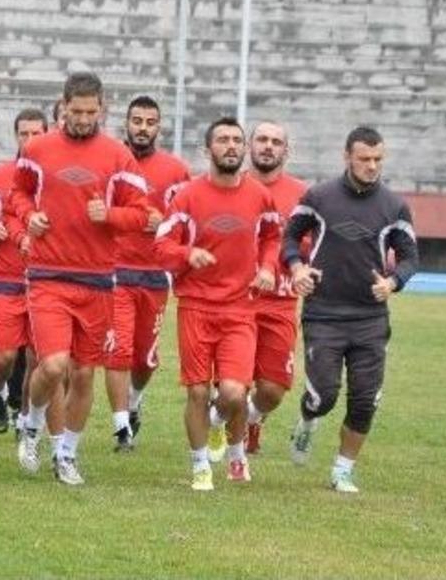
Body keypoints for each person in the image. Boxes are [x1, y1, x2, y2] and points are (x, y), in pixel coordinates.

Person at [11, 72, 150, 486]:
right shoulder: (38, 148)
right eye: (77, 112)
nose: (84, 119)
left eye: (92, 113)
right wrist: (27, 216)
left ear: (102, 109)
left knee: (85, 373)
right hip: (49, 274)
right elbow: (17, 193)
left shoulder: (118, 156)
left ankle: (66, 454)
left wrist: (109, 215)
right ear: (63, 107)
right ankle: (32, 425)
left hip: (97, 278)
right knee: (53, 365)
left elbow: (142, 215)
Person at [283, 126, 419, 494]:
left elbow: (409, 257)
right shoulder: (319, 197)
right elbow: (290, 236)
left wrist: (392, 283)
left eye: (378, 160)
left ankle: (343, 469)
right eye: (364, 159)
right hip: (324, 314)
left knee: (365, 400)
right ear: (347, 157)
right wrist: (297, 267)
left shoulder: (394, 205)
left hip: (370, 319)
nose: (372, 166)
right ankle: (308, 421)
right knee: (323, 396)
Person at [153, 117, 281, 491]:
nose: (231, 146)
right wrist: (186, 253)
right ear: (208, 149)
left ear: (244, 150)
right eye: (222, 140)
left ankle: (215, 421)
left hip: (241, 308)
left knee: (233, 392)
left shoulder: (259, 195)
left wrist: (269, 268)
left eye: (236, 141)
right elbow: (160, 245)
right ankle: (200, 467)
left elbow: (273, 236)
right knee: (195, 390)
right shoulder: (187, 195)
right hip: (195, 306)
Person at [105, 96, 190, 451]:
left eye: (149, 121)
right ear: (126, 123)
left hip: (155, 274)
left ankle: (135, 401)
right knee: (119, 350)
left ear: (159, 126)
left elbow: (185, 219)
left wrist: (162, 225)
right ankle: (121, 427)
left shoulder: (175, 170)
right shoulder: (111, 160)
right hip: (116, 270)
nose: (142, 127)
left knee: (145, 359)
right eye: (136, 120)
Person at [0, 108, 46, 434]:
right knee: (2, 358)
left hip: (44, 281)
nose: (30, 140)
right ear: (16, 136)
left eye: (36, 134)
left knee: (37, 359)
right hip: (4, 277)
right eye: (24, 134)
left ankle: (25, 419)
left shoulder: (53, 178)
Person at [241, 121, 307, 454]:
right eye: (262, 140)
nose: (268, 146)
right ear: (249, 146)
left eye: (276, 141)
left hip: (280, 302)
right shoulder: (232, 186)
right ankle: (228, 430)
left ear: (286, 151)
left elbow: (311, 245)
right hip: (235, 301)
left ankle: (252, 418)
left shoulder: (302, 195)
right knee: (232, 384)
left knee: (272, 390)